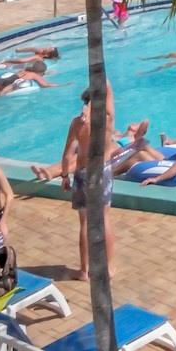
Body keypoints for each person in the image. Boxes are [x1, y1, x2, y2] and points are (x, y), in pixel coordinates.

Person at [63, 90, 116, 281]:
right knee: (104, 220)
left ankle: (84, 270)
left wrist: (64, 176)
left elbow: (67, 154)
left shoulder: (77, 123)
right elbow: (109, 94)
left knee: (85, 222)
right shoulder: (106, 121)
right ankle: (109, 268)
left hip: (83, 174)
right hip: (102, 171)